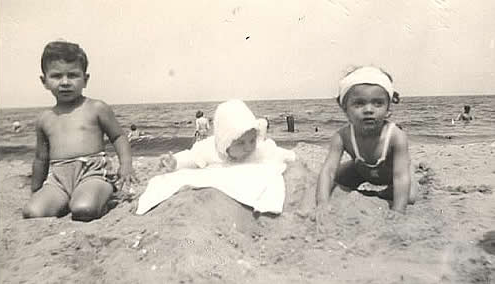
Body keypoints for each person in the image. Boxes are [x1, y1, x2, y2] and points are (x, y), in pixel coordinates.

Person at [22, 41, 137, 222]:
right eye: (57, 76)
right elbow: (41, 158)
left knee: (84, 209)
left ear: (85, 79)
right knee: (33, 212)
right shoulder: (45, 118)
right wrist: (36, 190)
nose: (65, 82)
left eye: (73, 75)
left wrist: (126, 165)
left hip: (92, 172)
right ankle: (69, 199)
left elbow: (118, 136)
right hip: (58, 178)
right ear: (44, 81)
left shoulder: (96, 107)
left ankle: (104, 194)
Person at [136, 99, 295, 215]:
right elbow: (194, 158)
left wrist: (290, 156)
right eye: (240, 143)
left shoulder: (257, 149)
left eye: (252, 140)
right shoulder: (211, 149)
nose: (248, 147)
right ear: (225, 143)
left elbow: (273, 152)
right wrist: (176, 162)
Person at [301, 66, 417, 221]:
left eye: (378, 103)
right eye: (359, 104)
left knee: (409, 197)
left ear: (388, 108)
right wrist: (322, 203)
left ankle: (389, 191)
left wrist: (398, 211)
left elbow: (400, 176)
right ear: (345, 108)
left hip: (392, 172)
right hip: (362, 170)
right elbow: (328, 170)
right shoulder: (342, 136)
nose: (368, 109)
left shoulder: (396, 136)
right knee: (331, 180)